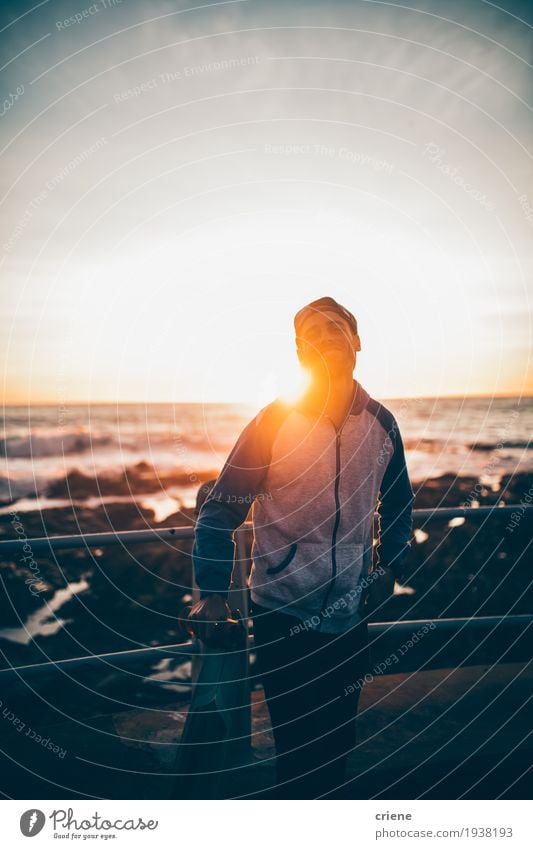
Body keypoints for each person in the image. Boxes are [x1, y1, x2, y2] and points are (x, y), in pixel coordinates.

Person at [186, 296, 414, 798]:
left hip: (351, 615)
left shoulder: (382, 424)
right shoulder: (273, 422)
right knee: (295, 754)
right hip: (280, 614)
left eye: (338, 330)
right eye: (315, 333)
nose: (328, 340)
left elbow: (399, 504)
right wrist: (212, 592)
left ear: (357, 343)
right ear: (299, 351)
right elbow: (219, 511)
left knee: (337, 748)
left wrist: (390, 568)